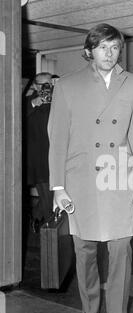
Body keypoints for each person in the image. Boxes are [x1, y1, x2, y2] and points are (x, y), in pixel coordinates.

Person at [47, 23, 133, 313]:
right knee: (86, 250)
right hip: (81, 179)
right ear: (89, 50)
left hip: (118, 175)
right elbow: (58, 138)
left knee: (121, 250)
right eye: (103, 47)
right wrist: (57, 187)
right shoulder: (66, 85)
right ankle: (90, 308)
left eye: (115, 47)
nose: (110, 53)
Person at [24, 72, 56, 232]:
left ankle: (36, 217)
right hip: (39, 161)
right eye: (42, 84)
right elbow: (15, 119)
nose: (46, 88)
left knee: (51, 197)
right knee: (48, 200)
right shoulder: (27, 103)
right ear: (36, 86)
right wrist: (34, 103)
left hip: (55, 159)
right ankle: (50, 235)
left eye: (49, 84)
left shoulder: (57, 102)